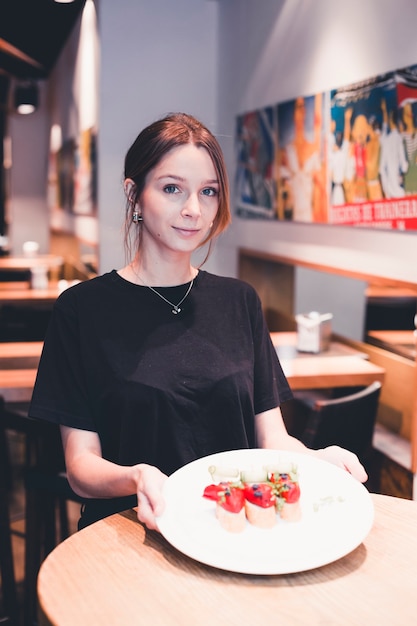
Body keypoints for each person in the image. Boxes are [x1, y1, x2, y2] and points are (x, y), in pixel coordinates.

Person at [29, 112, 367, 532]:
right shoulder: (81, 309)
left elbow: (271, 439)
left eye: (208, 191)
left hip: (230, 530)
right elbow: (81, 465)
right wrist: (135, 476)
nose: (193, 209)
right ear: (134, 194)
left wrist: (318, 460)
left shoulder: (239, 301)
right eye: (172, 188)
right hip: (129, 530)